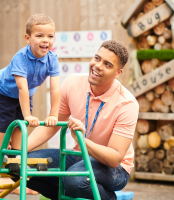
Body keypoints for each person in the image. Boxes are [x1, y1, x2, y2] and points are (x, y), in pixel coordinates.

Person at [26, 40, 139, 200]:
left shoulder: (127, 103)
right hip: (78, 156)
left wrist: (81, 139)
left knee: (74, 179)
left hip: (114, 168)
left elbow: (115, 158)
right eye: (97, 58)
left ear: (118, 73)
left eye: (107, 64)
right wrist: (20, 149)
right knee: (20, 166)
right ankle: (65, 195)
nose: (98, 65)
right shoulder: (72, 82)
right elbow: (51, 126)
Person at [0, 14, 61, 151]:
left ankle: (15, 157)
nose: (45, 40)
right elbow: (22, 88)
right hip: (4, 92)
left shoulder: (52, 59)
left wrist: (53, 114)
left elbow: (55, 89)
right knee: (3, 128)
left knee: (20, 131)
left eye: (50, 36)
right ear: (28, 38)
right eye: (39, 36)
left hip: (26, 94)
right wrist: (28, 114)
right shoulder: (20, 58)